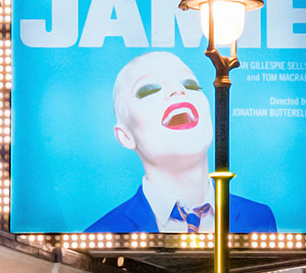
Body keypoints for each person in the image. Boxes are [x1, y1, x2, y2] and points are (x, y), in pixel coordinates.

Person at [85, 50, 277, 235]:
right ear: (125, 136)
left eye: (190, 85)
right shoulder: (102, 233)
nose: (178, 91)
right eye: (149, 90)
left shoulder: (259, 218)